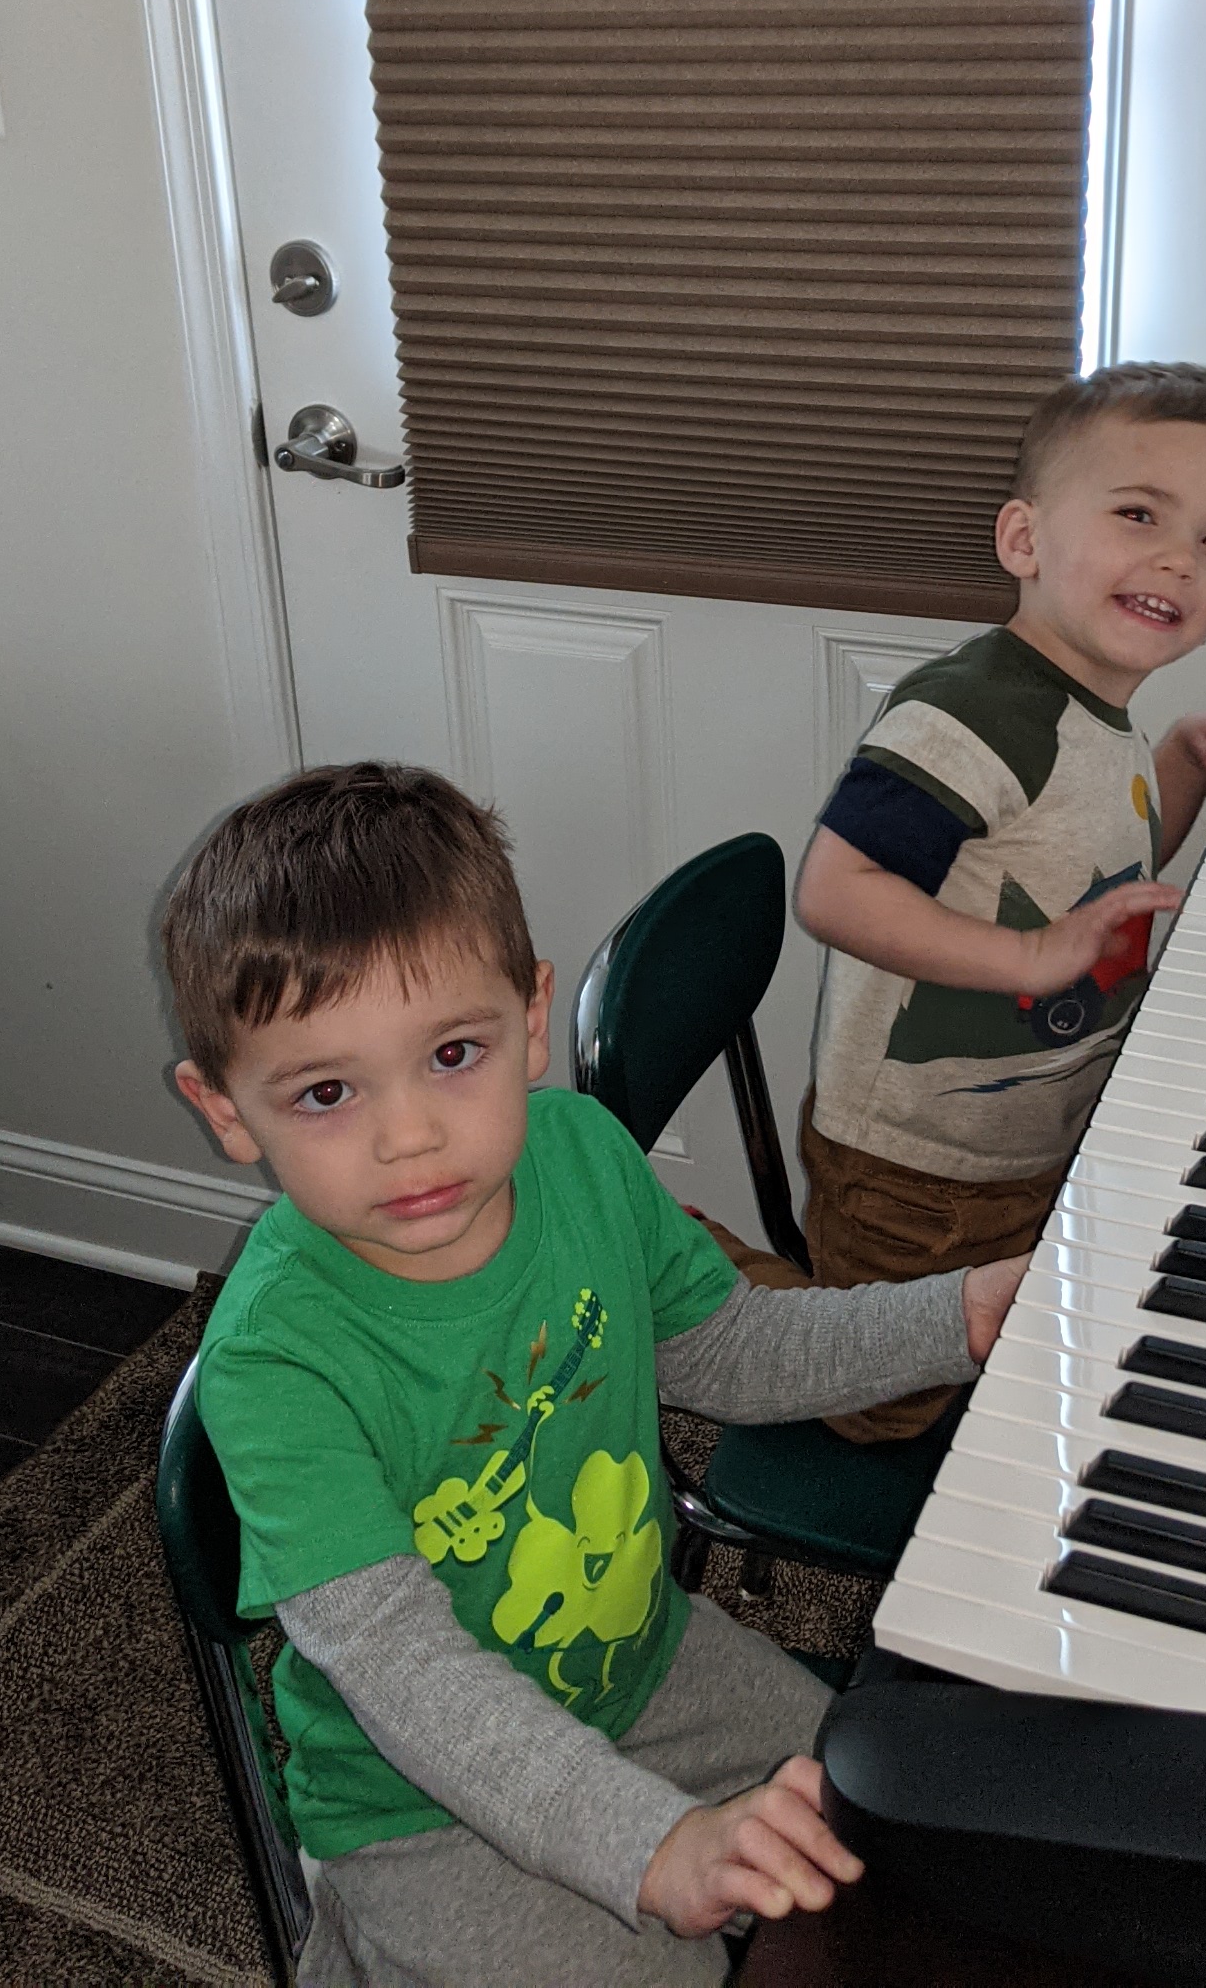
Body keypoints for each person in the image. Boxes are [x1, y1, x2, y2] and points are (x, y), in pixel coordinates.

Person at [162, 761, 1040, 1988]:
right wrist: (651, 1848)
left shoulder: (579, 1152)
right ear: (226, 1113)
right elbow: (406, 1676)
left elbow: (729, 1347)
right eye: (325, 1091)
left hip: (645, 1666)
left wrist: (953, 1318)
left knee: (901, 1846)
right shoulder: (281, 1358)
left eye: (452, 1053)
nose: (407, 1133)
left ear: (529, 1021)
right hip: (417, 1804)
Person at [760, 361, 1206, 1442]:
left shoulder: (1100, 713)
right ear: (1025, 540)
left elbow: (1102, 864)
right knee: (874, 1405)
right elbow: (834, 888)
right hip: (916, 1160)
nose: (1175, 558)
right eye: (1139, 513)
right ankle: (673, 1280)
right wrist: (1029, 958)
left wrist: (1189, 755)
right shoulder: (973, 711)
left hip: (1028, 1133)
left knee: (982, 1343)